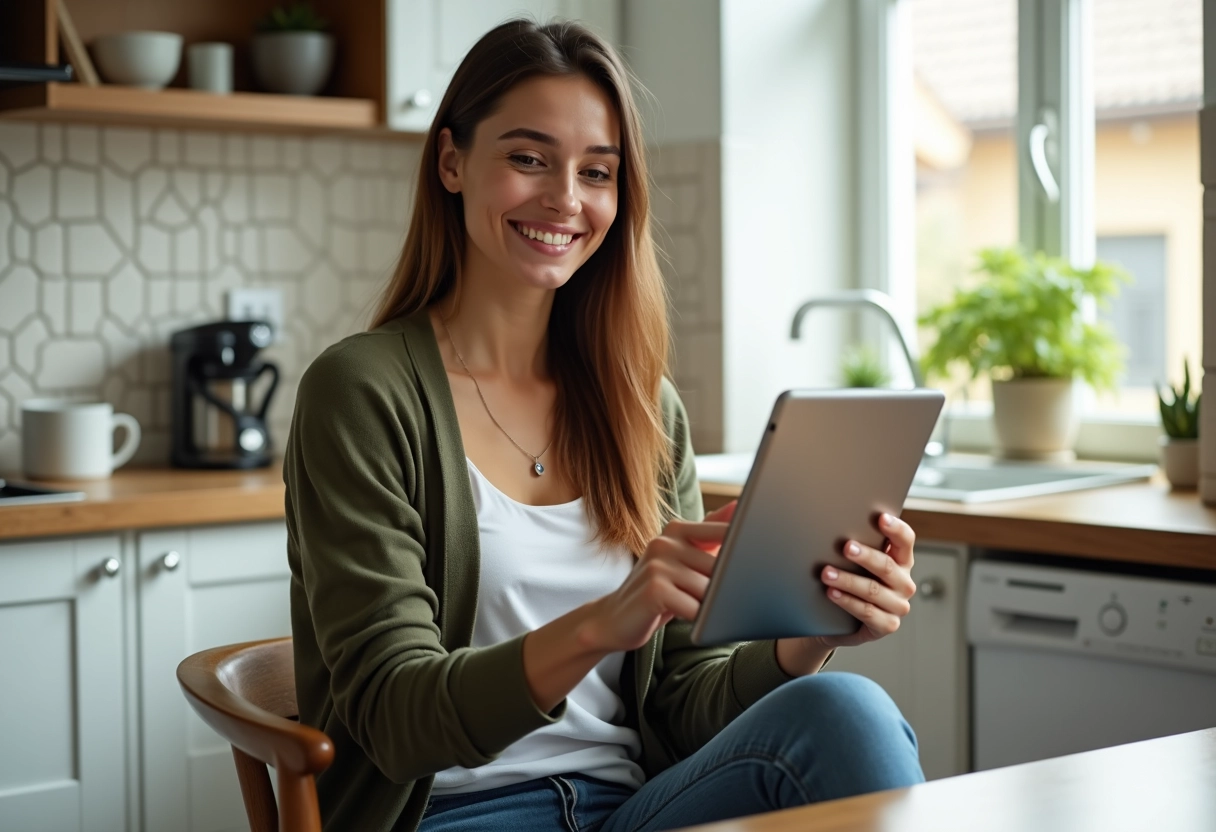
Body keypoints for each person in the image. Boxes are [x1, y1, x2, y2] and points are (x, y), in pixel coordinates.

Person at [284, 18, 924, 832]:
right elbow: (394, 717)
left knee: (847, 712)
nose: (564, 198)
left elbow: (681, 703)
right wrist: (601, 624)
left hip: (630, 811)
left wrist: (811, 634)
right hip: (452, 815)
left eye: (597, 172)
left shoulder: (642, 407)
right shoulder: (363, 393)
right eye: (527, 158)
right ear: (451, 161)